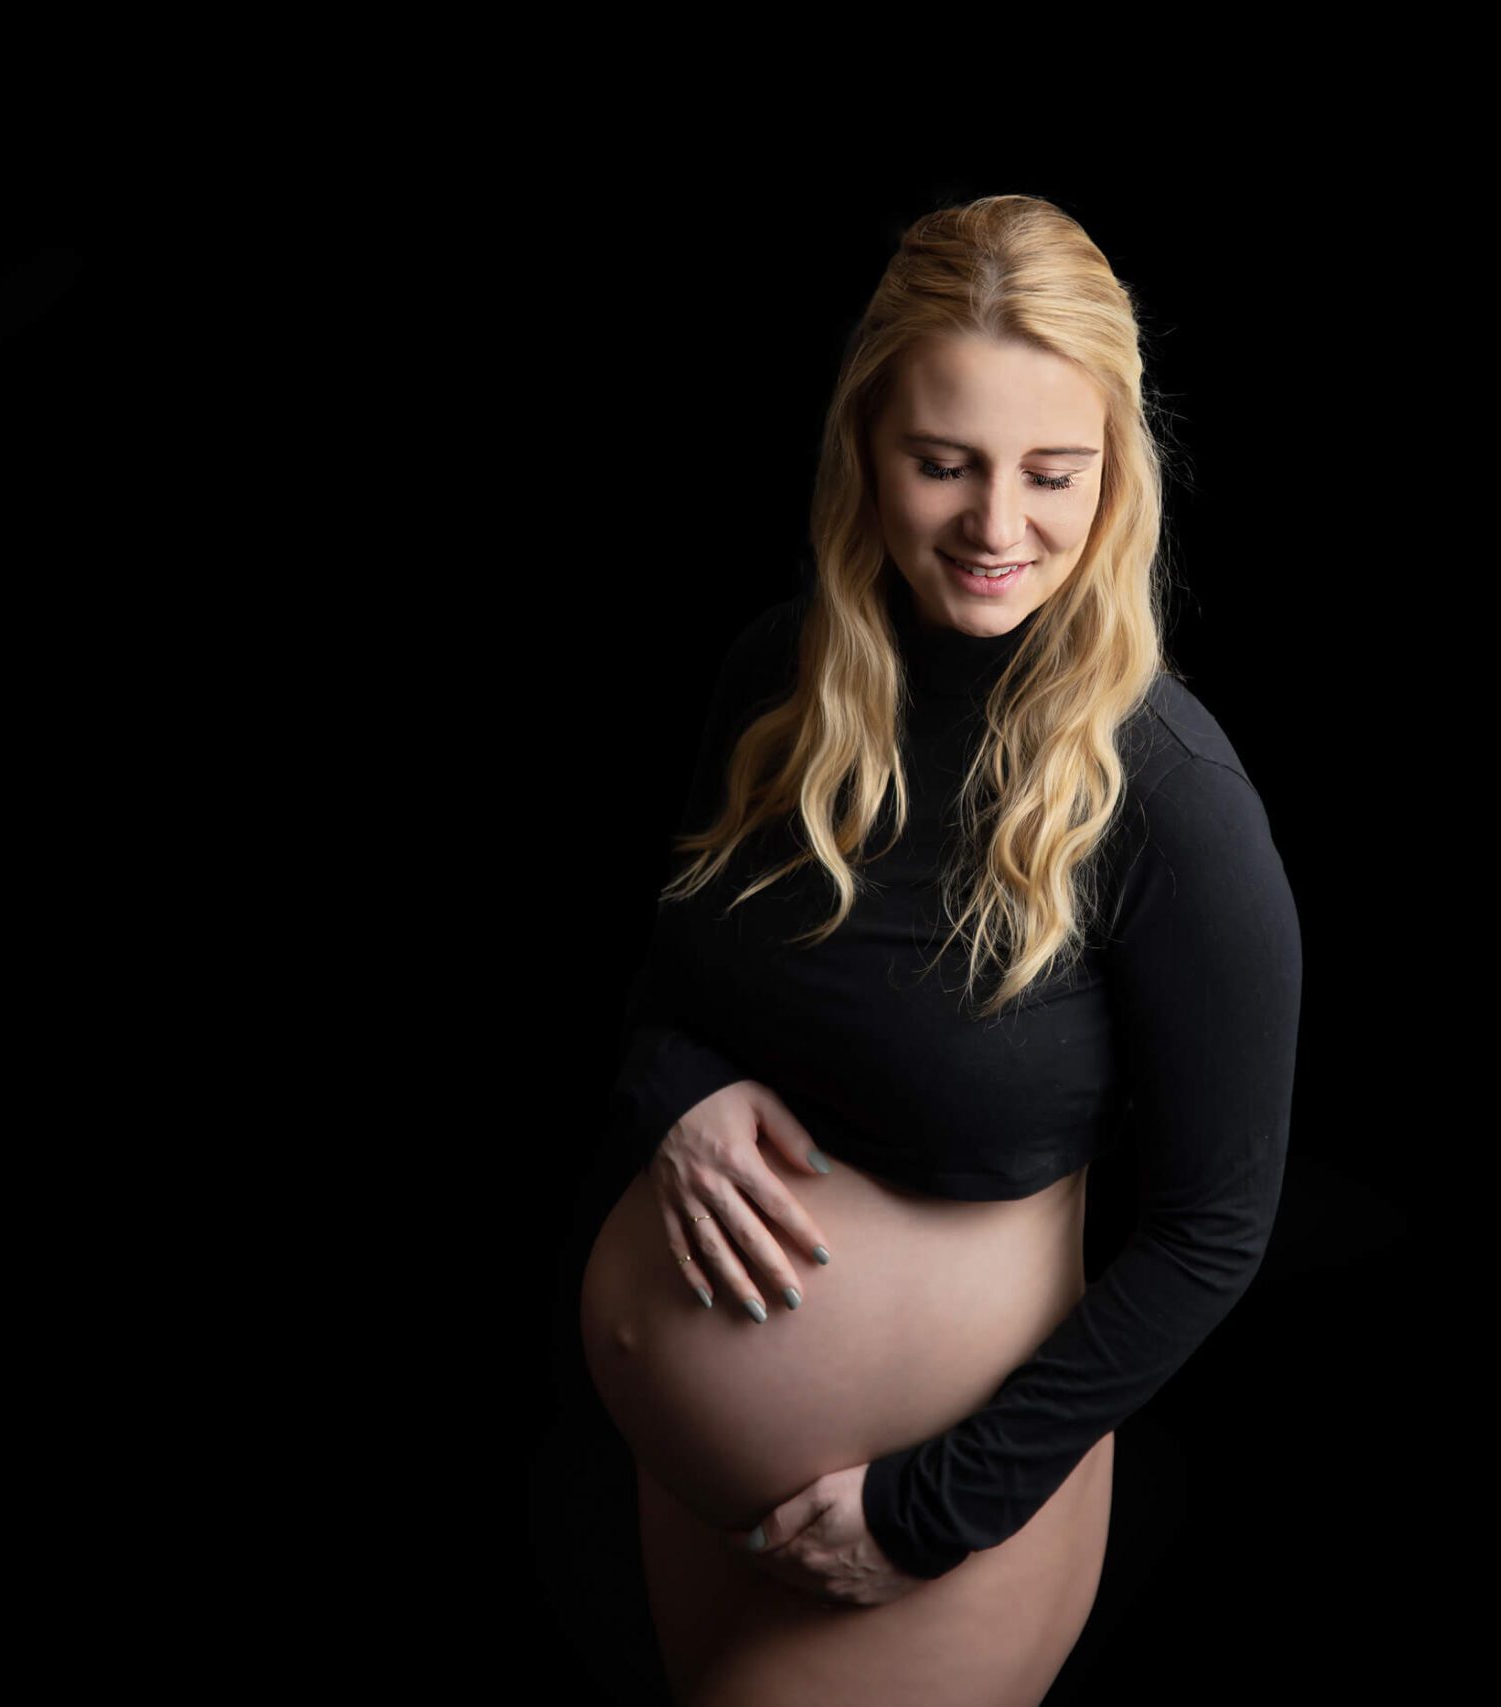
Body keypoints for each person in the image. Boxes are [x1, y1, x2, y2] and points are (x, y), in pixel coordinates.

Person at [576, 193, 1303, 1706]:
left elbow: (1213, 1229)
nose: (996, 528)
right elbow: (666, 986)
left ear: (1118, 475)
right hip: (698, 1494)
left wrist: (932, 1511)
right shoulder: (779, 678)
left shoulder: (1166, 793)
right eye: (943, 465)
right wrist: (676, 1098)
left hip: (941, 1519)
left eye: (1053, 473)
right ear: (865, 446)